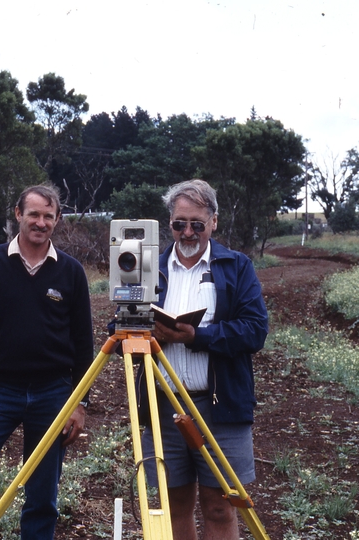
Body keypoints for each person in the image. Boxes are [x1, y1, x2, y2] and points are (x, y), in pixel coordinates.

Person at [0, 184, 94, 540]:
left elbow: (84, 345)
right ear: (18, 214)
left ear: (57, 220)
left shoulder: (71, 272)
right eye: (34, 214)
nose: (40, 223)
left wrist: (79, 404)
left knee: (42, 493)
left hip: (52, 394)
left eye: (48, 216)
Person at [143, 179, 268, 540]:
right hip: (163, 405)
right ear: (169, 222)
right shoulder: (151, 266)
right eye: (179, 223)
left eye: (197, 224)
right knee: (175, 503)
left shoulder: (236, 266)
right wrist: (141, 332)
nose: (187, 232)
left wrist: (199, 336)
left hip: (220, 406)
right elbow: (118, 322)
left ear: (214, 222)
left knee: (219, 504)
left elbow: (254, 330)